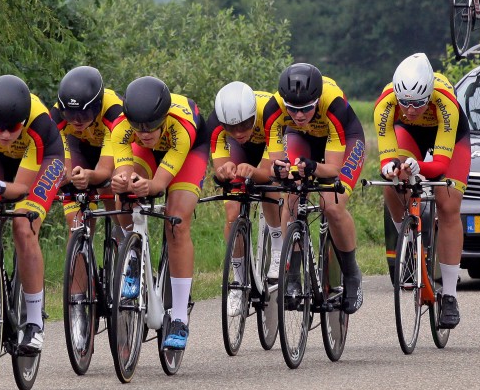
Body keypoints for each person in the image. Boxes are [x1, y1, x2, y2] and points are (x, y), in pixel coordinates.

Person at [0, 74, 66, 355]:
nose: (6, 134)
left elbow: (21, 189)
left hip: (44, 160)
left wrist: (2, 186)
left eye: (13, 127)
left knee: (23, 225)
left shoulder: (39, 122)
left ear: (23, 121)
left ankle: (34, 321)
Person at [110, 76, 210, 350]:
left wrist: (149, 186)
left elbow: (158, 185)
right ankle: (132, 255)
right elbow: (123, 172)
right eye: (138, 126)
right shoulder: (121, 127)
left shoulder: (181, 125)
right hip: (146, 154)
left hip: (189, 149)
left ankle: (178, 317)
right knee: (125, 194)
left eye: (152, 125)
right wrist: (122, 181)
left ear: (163, 116)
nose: (145, 132)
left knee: (176, 222)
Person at [374, 52, 471, 329]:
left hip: (449, 134)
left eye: (418, 102)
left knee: (448, 203)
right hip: (408, 134)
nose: (411, 108)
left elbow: (439, 165)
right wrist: (393, 168)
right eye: (405, 102)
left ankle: (449, 295)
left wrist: (420, 167)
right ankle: (406, 241)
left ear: (428, 94)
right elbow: (386, 160)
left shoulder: (444, 101)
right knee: (394, 185)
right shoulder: (386, 104)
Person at [272, 63, 367, 314]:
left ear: (317, 100)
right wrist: (281, 170)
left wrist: (313, 166)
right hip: (302, 138)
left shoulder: (333, 104)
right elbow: (275, 161)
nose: (299, 115)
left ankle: (351, 274)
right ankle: (292, 274)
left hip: (343, 140)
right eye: (293, 109)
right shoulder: (275, 108)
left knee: (331, 204)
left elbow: (333, 170)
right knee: (291, 196)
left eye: (305, 109)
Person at [207, 81, 286, 316]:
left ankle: (278, 249)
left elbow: (273, 170)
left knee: (268, 186)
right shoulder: (215, 125)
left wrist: (254, 171)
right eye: (231, 128)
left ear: (253, 116)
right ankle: (238, 284)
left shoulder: (270, 112)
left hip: (267, 146)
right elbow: (222, 172)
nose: (239, 132)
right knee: (232, 209)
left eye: (244, 125)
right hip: (241, 151)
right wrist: (226, 170)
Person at [53, 65, 126, 229]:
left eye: (84, 114)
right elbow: (63, 167)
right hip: (80, 147)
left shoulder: (114, 111)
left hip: (112, 146)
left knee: (110, 190)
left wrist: (90, 176)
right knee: (76, 220)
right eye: (71, 115)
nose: (77, 121)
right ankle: (81, 248)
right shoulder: (57, 114)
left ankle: (121, 237)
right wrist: (64, 177)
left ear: (97, 107)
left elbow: (105, 172)